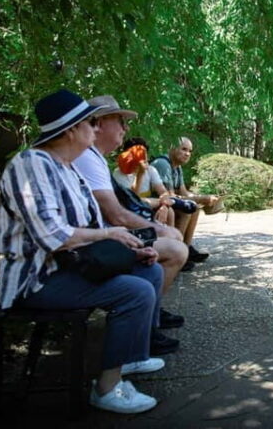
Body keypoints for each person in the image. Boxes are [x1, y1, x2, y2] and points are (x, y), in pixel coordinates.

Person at [0, 89, 162, 414]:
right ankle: (107, 389)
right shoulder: (31, 165)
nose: (96, 129)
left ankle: (127, 359)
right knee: (136, 292)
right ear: (71, 130)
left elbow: (91, 224)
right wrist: (111, 233)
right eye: (90, 123)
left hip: (70, 267)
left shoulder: (66, 167)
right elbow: (55, 237)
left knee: (149, 269)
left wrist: (130, 247)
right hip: (38, 279)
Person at [73, 95, 188, 354]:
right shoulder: (88, 158)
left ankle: (150, 316)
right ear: (98, 123)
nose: (126, 129)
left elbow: (129, 204)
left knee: (172, 236)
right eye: (120, 121)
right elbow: (116, 214)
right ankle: (147, 325)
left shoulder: (95, 158)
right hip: (94, 244)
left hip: (101, 237)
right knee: (176, 249)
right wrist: (155, 228)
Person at [151, 137, 221, 264]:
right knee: (186, 210)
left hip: (168, 203)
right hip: (156, 204)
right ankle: (177, 253)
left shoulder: (177, 167)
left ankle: (186, 249)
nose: (187, 154)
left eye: (190, 151)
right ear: (172, 148)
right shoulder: (163, 164)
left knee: (195, 208)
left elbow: (184, 193)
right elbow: (170, 195)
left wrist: (202, 198)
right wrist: (201, 199)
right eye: (184, 149)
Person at [113, 137, 175, 226]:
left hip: (150, 204)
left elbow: (163, 192)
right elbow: (133, 201)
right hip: (129, 211)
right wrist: (140, 175)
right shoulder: (119, 174)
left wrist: (164, 206)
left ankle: (176, 239)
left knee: (170, 212)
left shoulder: (150, 170)